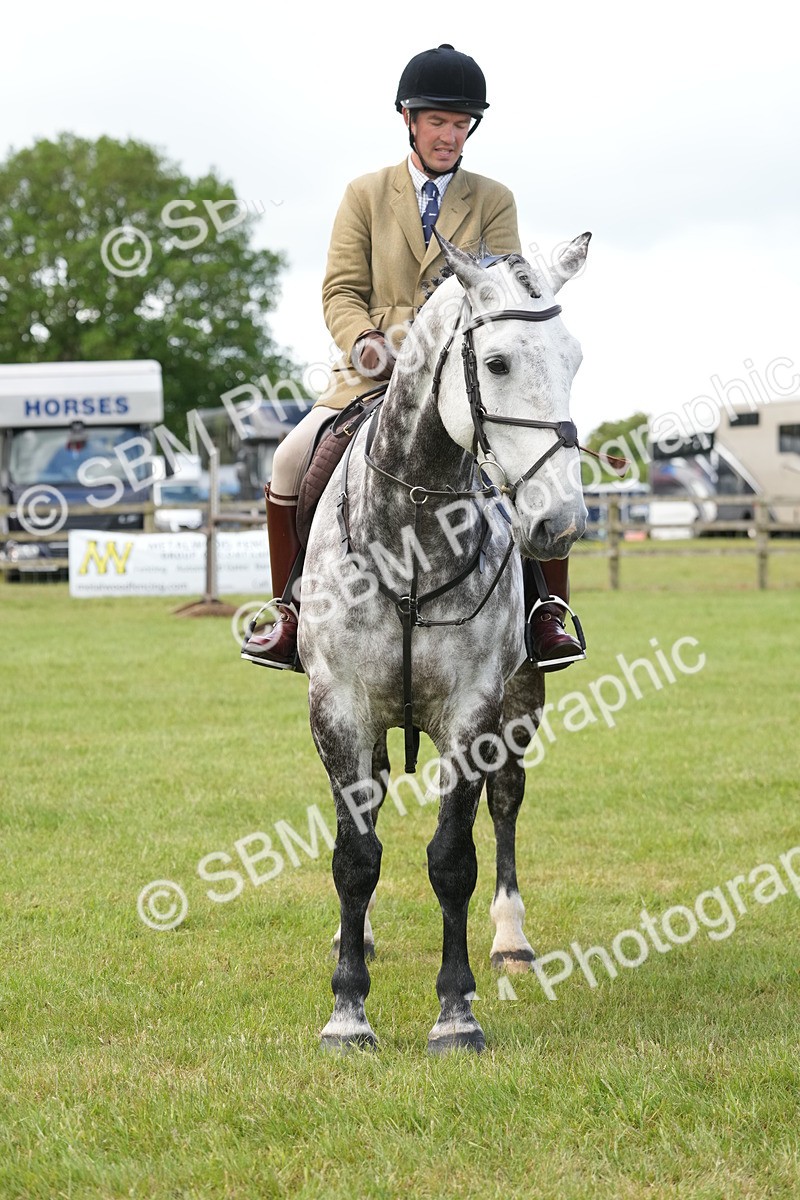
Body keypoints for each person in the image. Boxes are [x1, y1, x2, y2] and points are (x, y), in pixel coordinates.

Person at [241, 44, 583, 672]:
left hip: (460, 377)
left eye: (462, 125)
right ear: (408, 119)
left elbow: (501, 286)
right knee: (289, 463)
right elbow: (340, 289)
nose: (451, 137)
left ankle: (544, 613)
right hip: (368, 375)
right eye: (439, 123)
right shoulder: (365, 194)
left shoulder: (493, 198)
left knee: (537, 460)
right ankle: (289, 610)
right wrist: (366, 341)